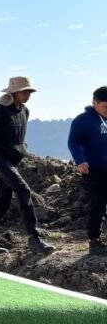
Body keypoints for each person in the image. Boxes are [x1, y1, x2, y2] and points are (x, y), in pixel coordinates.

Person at [0, 76, 55, 254]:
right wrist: (6, 147)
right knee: (23, 189)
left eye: (29, 91)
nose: (28, 94)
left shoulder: (25, 111)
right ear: (13, 92)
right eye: (25, 91)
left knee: (3, 200)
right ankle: (34, 239)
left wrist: (21, 148)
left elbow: (20, 137)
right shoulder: (0, 110)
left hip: (11, 160)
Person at [67, 86, 107, 255]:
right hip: (94, 169)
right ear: (95, 103)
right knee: (98, 203)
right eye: (106, 106)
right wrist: (80, 160)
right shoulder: (82, 120)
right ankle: (94, 241)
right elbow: (73, 142)